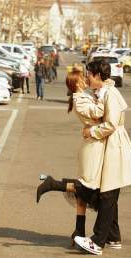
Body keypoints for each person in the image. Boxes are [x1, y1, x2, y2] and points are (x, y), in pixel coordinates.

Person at [74, 59, 131, 255]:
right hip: (111, 145)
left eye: (89, 73)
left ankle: (98, 241)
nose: (87, 77)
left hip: (115, 146)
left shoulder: (110, 93)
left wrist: (91, 132)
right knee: (110, 193)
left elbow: (110, 124)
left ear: (96, 75)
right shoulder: (105, 91)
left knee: (107, 195)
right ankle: (113, 236)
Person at [36, 68, 106, 246]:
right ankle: (53, 184)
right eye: (82, 78)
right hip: (93, 147)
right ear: (76, 84)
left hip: (95, 144)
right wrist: (106, 97)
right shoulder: (80, 100)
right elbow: (98, 113)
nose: (85, 80)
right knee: (89, 189)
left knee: (85, 189)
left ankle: (79, 230)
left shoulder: (85, 95)